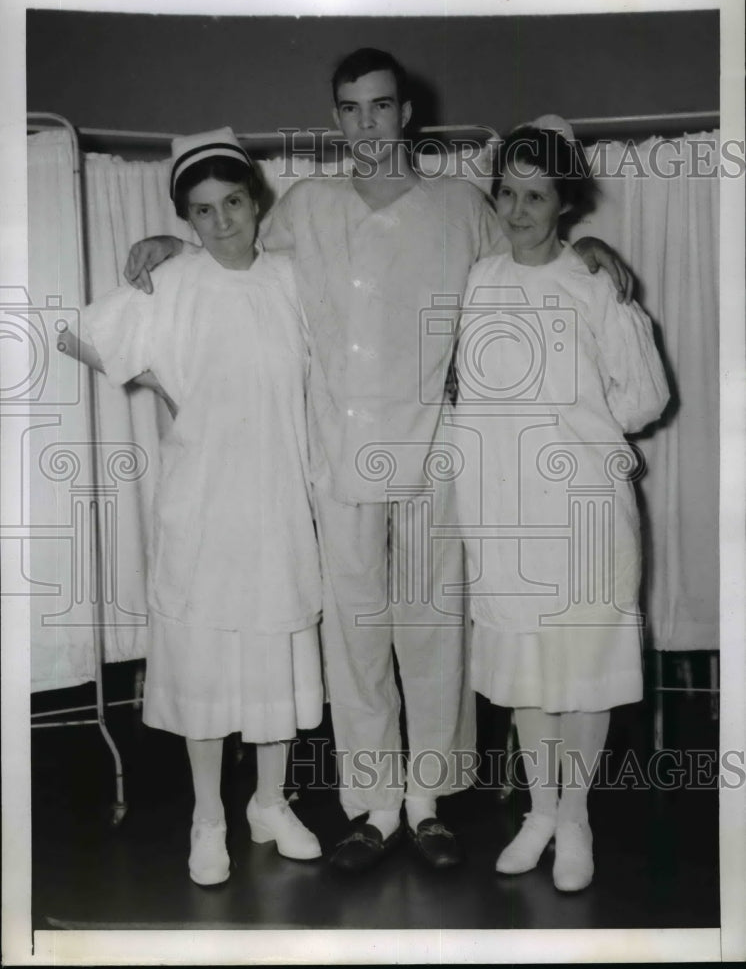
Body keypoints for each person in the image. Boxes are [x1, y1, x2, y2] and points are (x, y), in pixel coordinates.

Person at [123, 49, 634, 873]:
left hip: (436, 452)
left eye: (381, 106)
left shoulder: (461, 206)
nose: (367, 123)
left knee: (434, 633)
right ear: (337, 119)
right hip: (337, 454)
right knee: (356, 639)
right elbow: (232, 257)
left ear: (406, 115)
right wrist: (164, 244)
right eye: (351, 109)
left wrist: (595, 250)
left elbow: (529, 252)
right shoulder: (304, 208)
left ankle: (428, 802)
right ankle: (374, 805)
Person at [59, 128, 324, 886]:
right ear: (187, 219)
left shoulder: (292, 279)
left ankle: (269, 804)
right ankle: (208, 815)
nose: (221, 221)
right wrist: (169, 383)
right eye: (201, 211)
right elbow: (78, 334)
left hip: (278, 499)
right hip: (203, 503)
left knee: (277, 651)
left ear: (255, 200)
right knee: (206, 660)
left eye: (232, 202)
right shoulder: (172, 282)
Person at [452, 120, 669, 890]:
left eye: (536, 195)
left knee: (581, 669)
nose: (518, 209)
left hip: (582, 508)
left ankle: (574, 818)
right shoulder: (477, 281)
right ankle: (538, 811)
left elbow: (645, 400)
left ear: (564, 201)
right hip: (504, 511)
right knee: (525, 673)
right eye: (507, 192)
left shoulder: (591, 283)